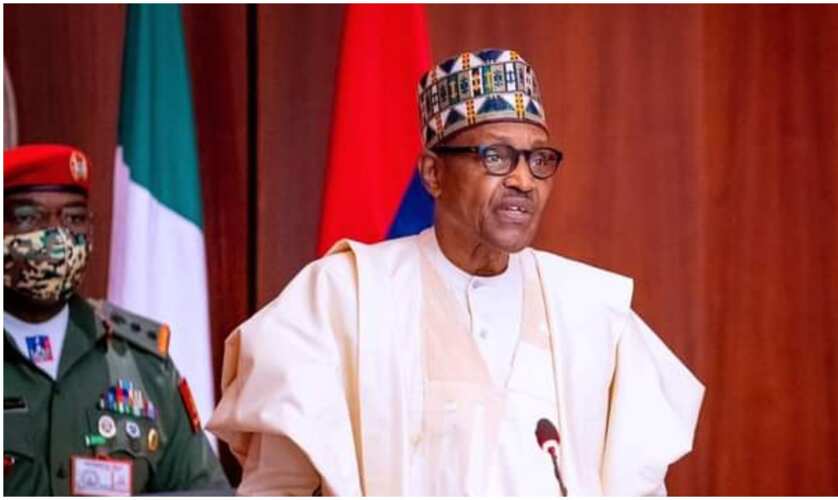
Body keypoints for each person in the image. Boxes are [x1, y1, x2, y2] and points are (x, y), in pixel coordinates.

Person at [208, 48, 705, 496]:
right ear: (433, 173)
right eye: (495, 156)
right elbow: (277, 489)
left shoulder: (593, 313)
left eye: (539, 160)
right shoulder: (345, 298)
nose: (522, 181)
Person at [3, 144, 231, 495]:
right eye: (30, 218)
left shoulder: (142, 364)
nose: (58, 237)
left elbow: (205, 492)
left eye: (74, 218)